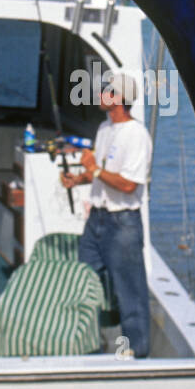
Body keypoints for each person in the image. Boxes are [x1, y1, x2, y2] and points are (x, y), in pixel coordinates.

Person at [61, 73, 152, 357]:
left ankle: (137, 349)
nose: (100, 93)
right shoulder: (104, 129)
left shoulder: (137, 136)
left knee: (129, 288)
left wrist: (95, 169)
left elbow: (127, 185)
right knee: (83, 279)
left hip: (122, 223)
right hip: (97, 220)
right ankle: (86, 340)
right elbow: (101, 175)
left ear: (119, 98)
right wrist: (78, 179)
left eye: (106, 89)